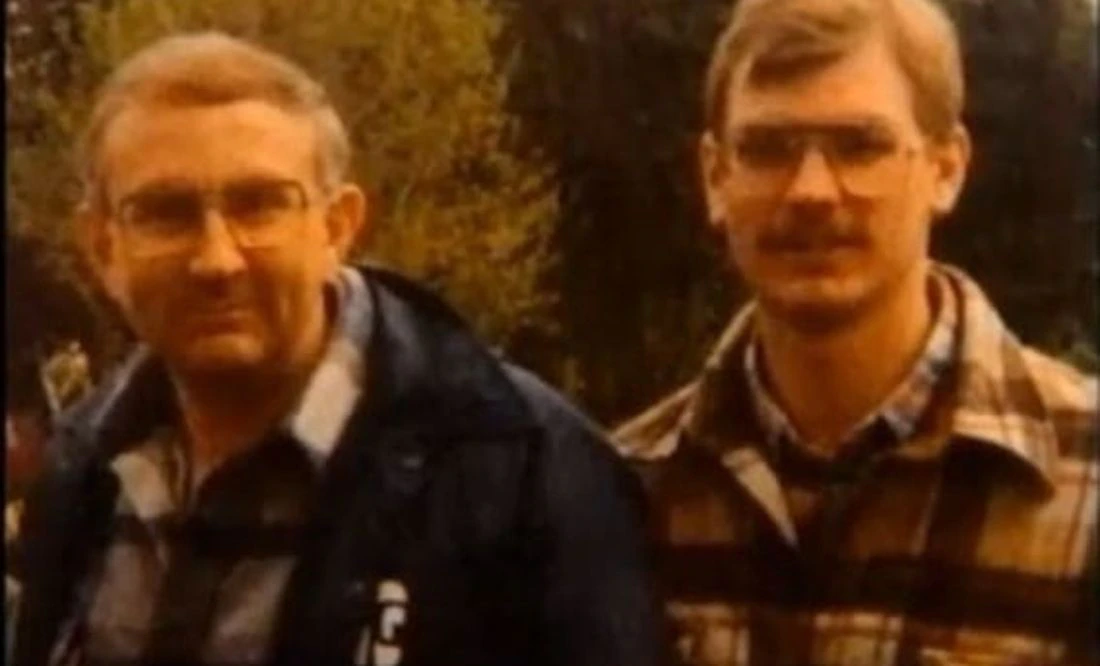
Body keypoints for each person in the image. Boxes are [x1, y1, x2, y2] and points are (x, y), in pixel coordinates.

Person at [11, 32, 663, 666]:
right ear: (102, 247)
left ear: (337, 226)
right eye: (165, 213)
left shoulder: (520, 472)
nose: (217, 260)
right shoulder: (80, 475)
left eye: (259, 206)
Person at [614, 0, 1098, 664]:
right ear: (715, 178)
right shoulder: (626, 494)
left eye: (860, 146)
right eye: (767, 149)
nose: (811, 190)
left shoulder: (1080, 486)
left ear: (946, 168)